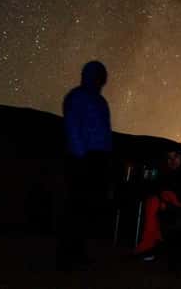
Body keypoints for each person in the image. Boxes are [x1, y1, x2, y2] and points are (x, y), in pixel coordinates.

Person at [56, 60, 113, 272]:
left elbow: (104, 130)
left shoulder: (100, 101)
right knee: (75, 206)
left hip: (97, 158)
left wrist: (105, 155)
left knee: (86, 207)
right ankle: (66, 255)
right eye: (98, 75)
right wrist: (81, 157)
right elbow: (72, 126)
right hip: (82, 158)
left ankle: (78, 251)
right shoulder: (77, 97)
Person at [132, 149, 181, 264]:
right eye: (169, 158)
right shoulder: (165, 174)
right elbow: (157, 189)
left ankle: (151, 246)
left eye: (175, 157)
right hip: (166, 207)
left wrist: (169, 202)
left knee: (158, 203)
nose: (172, 161)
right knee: (152, 202)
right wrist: (162, 199)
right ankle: (150, 246)